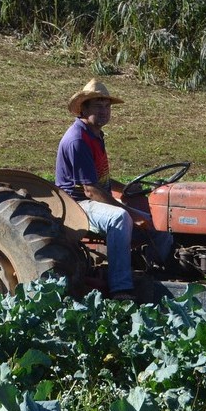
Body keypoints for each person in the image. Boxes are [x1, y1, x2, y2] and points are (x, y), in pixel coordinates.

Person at [55, 79, 173, 300]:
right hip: (77, 205)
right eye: (98, 106)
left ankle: (156, 275)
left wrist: (125, 188)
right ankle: (121, 289)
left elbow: (100, 179)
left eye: (107, 106)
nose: (104, 111)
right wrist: (130, 212)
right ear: (83, 108)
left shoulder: (94, 135)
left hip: (93, 199)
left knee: (160, 222)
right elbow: (90, 190)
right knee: (119, 218)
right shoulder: (77, 140)